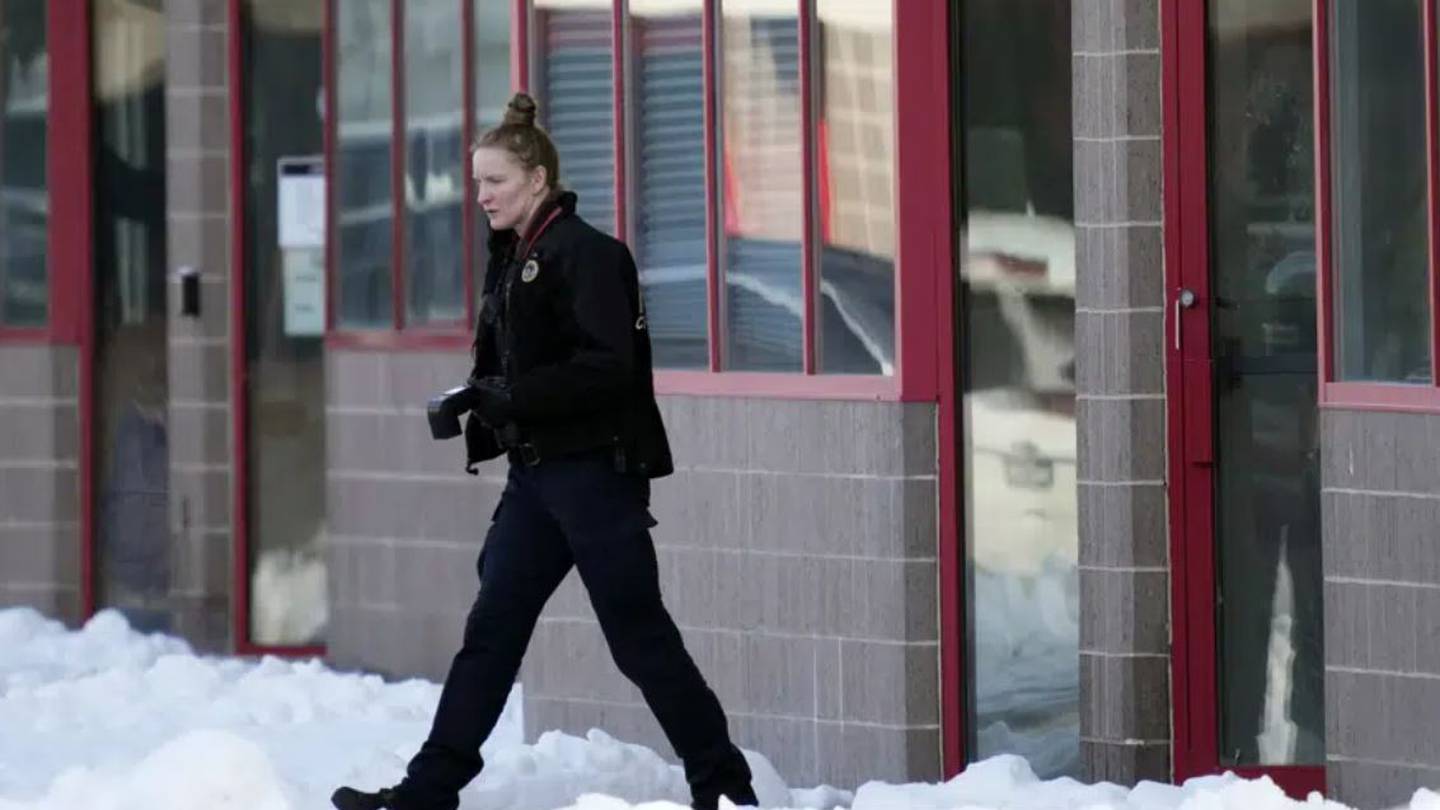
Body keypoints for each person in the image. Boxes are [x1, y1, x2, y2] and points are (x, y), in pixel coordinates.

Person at [331, 92, 758, 810]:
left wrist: (514, 397)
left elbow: (608, 365)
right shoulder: (517, 256)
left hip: (594, 477)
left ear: (536, 178)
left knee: (638, 639)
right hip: (536, 480)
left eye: (493, 181)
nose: (480, 196)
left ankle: (724, 784)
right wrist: (482, 398)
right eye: (475, 183)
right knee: (490, 635)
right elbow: (524, 365)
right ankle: (427, 793)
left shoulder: (588, 256)